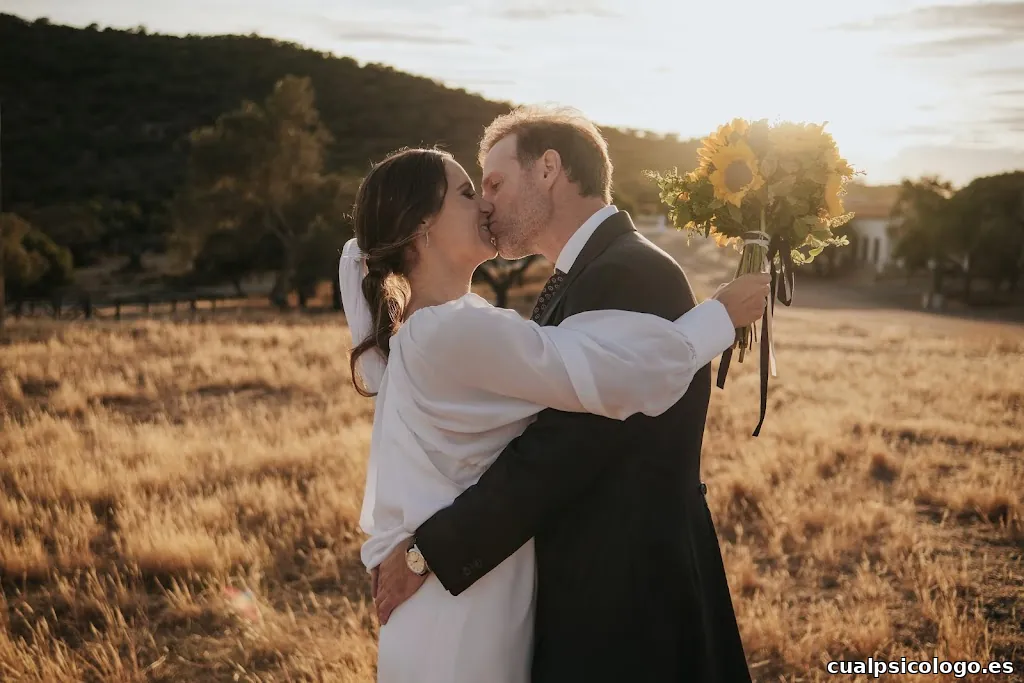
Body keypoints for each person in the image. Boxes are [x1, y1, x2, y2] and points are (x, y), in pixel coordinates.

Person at [346, 115, 763, 683]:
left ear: (548, 169)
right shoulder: (449, 328)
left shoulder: (626, 272)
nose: (486, 204)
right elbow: (592, 382)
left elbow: (569, 443)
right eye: (472, 191)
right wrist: (716, 319)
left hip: (626, 589)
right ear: (423, 227)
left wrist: (429, 552)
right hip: (482, 598)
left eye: (490, 184)